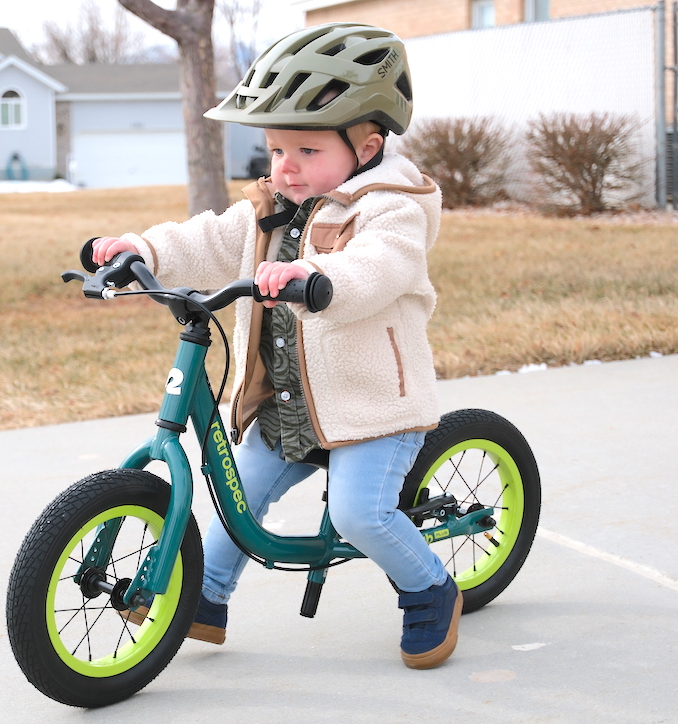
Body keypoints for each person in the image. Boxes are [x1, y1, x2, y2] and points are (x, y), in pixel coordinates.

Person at [92, 23, 458, 670]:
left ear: (367, 145)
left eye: (305, 151)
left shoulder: (392, 210)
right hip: (289, 403)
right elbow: (207, 239)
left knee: (359, 514)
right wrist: (142, 248)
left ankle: (430, 587)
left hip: (371, 408)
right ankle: (203, 598)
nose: (283, 167)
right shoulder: (276, 202)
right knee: (234, 492)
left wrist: (318, 279)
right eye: (273, 149)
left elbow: (375, 271)